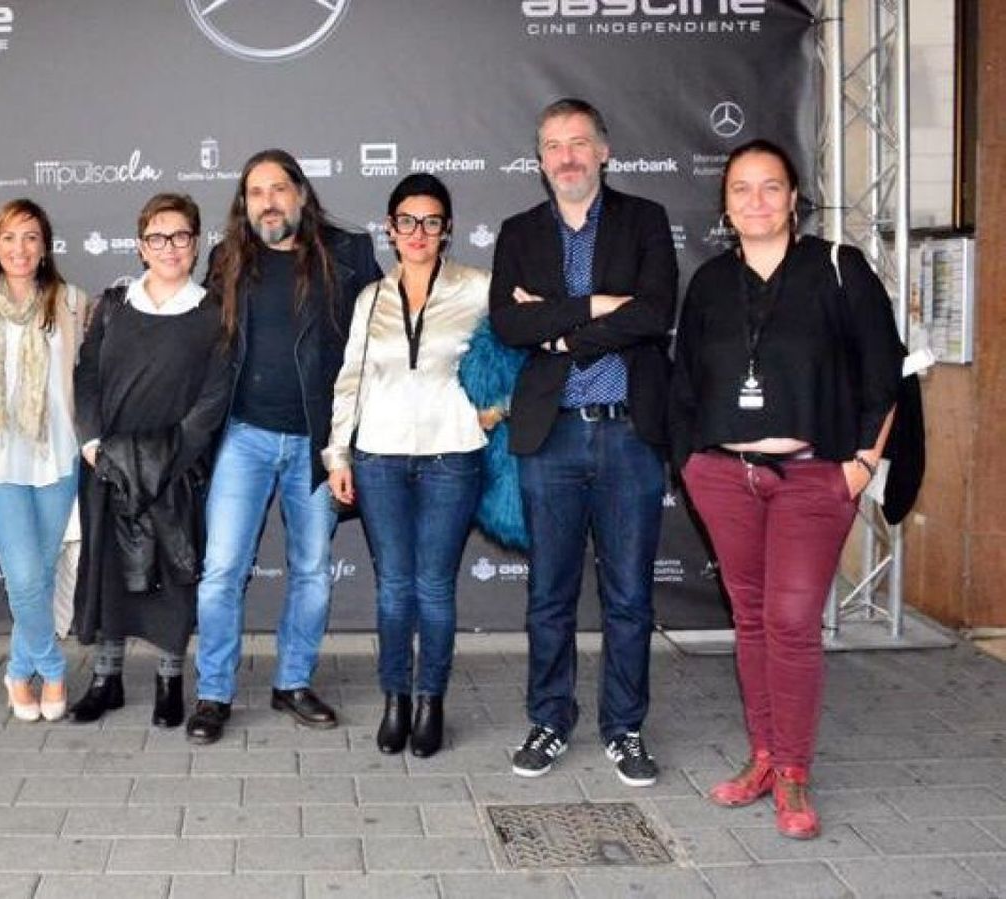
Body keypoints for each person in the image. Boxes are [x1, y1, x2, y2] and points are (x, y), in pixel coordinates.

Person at [670, 140, 902, 839]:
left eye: (771, 187)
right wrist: (691, 462)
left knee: (792, 621)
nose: (756, 201)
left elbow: (884, 373)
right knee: (751, 620)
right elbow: (685, 381)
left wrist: (860, 464)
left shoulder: (839, 268)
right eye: (741, 189)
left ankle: (795, 772)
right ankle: (764, 755)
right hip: (724, 475)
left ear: (795, 196)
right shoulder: (710, 280)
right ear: (725, 204)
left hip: (812, 476)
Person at [489, 98, 677, 787]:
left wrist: (562, 331)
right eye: (552, 146)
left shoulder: (645, 220)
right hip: (552, 435)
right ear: (540, 161)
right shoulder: (517, 231)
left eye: (578, 143)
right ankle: (549, 718)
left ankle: (624, 728)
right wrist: (600, 306)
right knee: (550, 594)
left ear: (604, 150)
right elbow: (509, 324)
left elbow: (655, 313)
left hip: (629, 432)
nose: (566, 156)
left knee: (629, 595)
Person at [187, 148, 383, 745]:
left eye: (278, 188)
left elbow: (377, 344)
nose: (267, 201)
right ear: (244, 206)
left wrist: (348, 444)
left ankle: (292, 682)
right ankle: (214, 692)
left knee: (313, 572)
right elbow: (201, 341)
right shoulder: (227, 259)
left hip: (316, 445)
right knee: (221, 570)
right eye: (255, 192)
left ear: (301, 193)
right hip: (242, 437)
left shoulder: (348, 256)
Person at [325, 173, 496, 758]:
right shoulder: (370, 298)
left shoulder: (478, 287)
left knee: (434, 588)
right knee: (395, 589)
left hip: (454, 457)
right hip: (379, 459)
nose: (418, 232)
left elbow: (519, 352)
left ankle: (431, 701)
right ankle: (396, 698)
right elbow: (350, 379)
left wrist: (495, 411)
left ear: (446, 230)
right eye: (407, 221)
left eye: (430, 222)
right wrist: (337, 454)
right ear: (390, 230)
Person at [69, 193, 232, 728]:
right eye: (157, 237)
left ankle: (169, 683)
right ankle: (105, 680)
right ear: (141, 246)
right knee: (110, 574)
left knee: (173, 577)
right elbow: (86, 376)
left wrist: (167, 459)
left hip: (175, 471)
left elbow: (213, 400)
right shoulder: (113, 305)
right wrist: (93, 442)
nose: (169, 247)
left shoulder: (214, 314)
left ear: (196, 242)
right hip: (108, 468)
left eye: (180, 236)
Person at [0, 199, 89, 723]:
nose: (19, 249)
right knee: (26, 575)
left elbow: (89, 375)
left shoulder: (72, 302)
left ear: (46, 245)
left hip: (55, 457)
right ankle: (51, 669)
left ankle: (16, 671)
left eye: (30, 237)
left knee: (43, 572)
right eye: (8, 238)